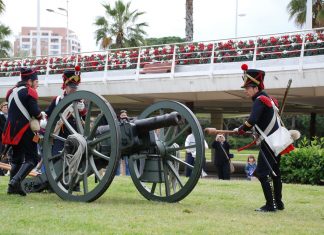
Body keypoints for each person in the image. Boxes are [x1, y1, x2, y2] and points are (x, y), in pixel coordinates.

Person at [234, 64, 293, 212]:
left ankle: (270, 205)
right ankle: (278, 203)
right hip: (276, 142)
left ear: (255, 87)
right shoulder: (268, 99)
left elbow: (252, 120)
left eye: (248, 88)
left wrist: (242, 129)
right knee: (275, 173)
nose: (246, 91)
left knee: (262, 173)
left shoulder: (260, 100)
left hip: (269, 142)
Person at [2, 68, 43, 196]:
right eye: (36, 81)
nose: (37, 84)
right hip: (25, 129)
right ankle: (15, 181)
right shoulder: (30, 92)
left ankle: (12, 188)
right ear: (30, 81)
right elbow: (35, 112)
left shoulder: (11, 91)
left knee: (17, 159)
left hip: (11, 129)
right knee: (32, 159)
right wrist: (41, 115)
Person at [116, 110, 130, 176]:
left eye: (125, 115)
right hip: (119, 144)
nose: (124, 117)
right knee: (117, 162)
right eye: (122, 115)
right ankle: (117, 175)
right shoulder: (117, 123)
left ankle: (128, 175)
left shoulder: (129, 122)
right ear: (120, 116)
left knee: (127, 162)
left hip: (127, 145)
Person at [0, 101, 8, 176]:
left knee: (5, 155)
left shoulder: (9, 116)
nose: (6, 108)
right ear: (1, 108)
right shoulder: (0, 116)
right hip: (1, 139)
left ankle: (4, 171)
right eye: (4, 107)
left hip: (8, 139)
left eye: (7, 107)